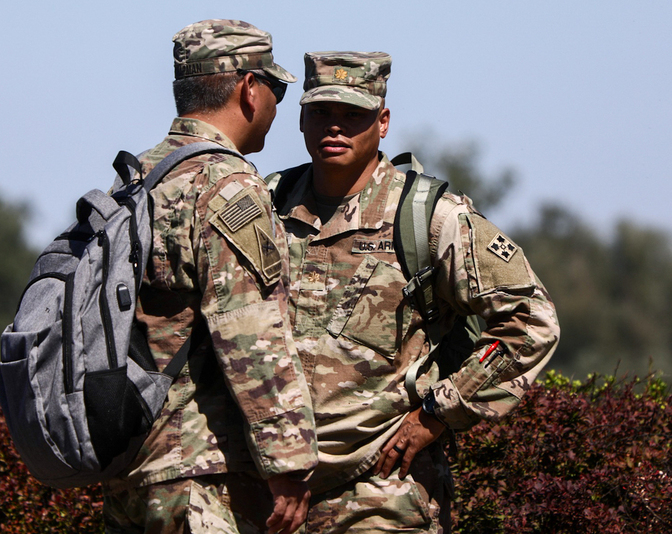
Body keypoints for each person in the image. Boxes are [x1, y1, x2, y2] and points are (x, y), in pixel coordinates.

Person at [267, 51, 560, 533]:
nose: (334, 128)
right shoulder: (267, 205)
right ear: (300, 119)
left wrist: (439, 414)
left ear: (382, 123)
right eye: (320, 112)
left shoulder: (430, 217)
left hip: (383, 493)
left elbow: (531, 322)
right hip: (273, 494)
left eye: (352, 115)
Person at [101, 20, 318, 534]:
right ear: (249, 88)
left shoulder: (135, 177)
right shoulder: (227, 184)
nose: (275, 106)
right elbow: (250, 330)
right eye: (276, 89)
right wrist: (289, 459)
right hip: (203, 472)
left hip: (129, 463)